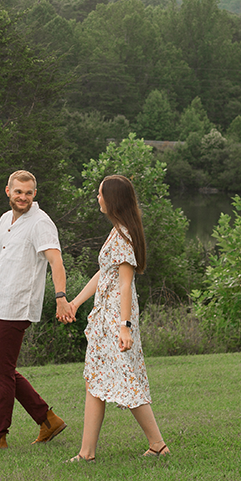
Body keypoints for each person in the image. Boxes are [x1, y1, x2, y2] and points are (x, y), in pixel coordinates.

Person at [0, 170, 74, 451]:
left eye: (28, 193)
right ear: (8, 192)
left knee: (1, 371)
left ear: (34, 194)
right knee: (2, 370)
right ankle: (47, 419)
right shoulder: (4, 220)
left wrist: (61, 297)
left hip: (18, 306)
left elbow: (56, 262)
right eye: (18, 192)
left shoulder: (40, 223)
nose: (23, 197)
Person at [64, 174, 169, 462]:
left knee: (127, 380)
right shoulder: (117, 232)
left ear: (112, 199)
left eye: (100, 194)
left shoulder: (123, 235)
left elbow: (125, 283)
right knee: (96, 380)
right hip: (105, 315)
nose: (97, 198)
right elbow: (104, 274)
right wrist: (75, 302)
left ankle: (157, 444)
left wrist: (125, 327)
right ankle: (88, 452)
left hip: (115, 318)